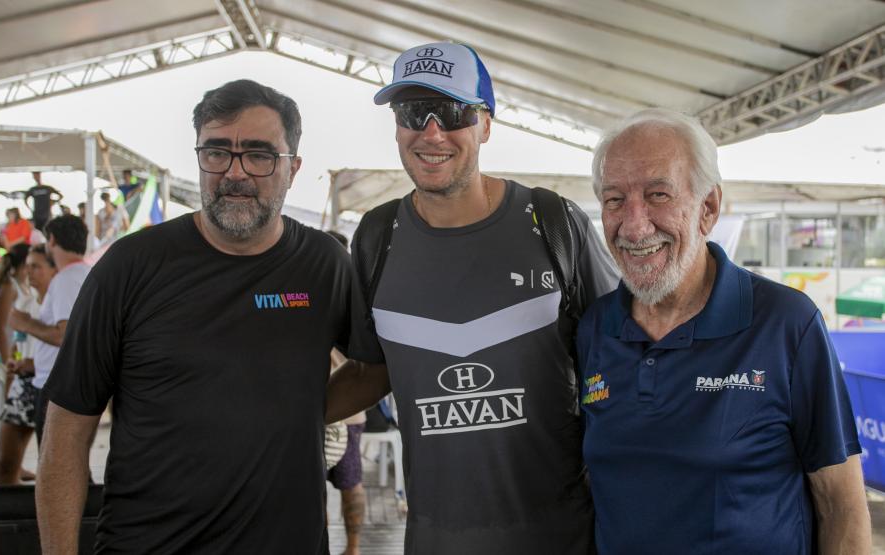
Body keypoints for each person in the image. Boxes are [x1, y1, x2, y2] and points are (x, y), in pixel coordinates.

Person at [36, 79, 382, 553]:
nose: (235, 173)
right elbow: (67, 430)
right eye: (217, 152)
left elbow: (372, 368)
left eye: (259, 155)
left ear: (293, 169)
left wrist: (299, 410)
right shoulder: (129, 266)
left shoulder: (324, 264)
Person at [327, 43, 618, 554]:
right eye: (414, 112)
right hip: (434, 538)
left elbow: (624, 352)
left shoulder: (553, 222)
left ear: (485, 125)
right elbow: (373, 369)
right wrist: (269, 417)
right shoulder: (377, 236)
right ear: (397, 127)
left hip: (560, 536)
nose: (432, 132)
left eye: (453, 111)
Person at [577, 108, 872, 554]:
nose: (634, 226)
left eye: (658, 195)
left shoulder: (786, 323)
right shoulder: (595, 328)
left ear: (708, 208)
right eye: (615, 200)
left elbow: (842, 505)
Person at [8, 215, 90, 444]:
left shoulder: (66, 279)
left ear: (52, 240)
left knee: (54, 458)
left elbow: (65, 336)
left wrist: (24, 323)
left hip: (56, 387)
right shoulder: (85, 273)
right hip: (66, 383)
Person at [0, 244, 55, 484]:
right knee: (6, 464)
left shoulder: (61, 304)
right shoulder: (26, 303)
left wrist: (33, 362)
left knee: (53, 466)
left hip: (52, 388)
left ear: (53, 269)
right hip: (25, 384)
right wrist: (14, 360)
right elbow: (18, 342)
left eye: (36, 266)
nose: (29, 272)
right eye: (27, 266)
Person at [325, 230, 367, 555]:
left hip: (346, 410)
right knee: (315, 488)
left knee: (349, 482)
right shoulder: (353, 295)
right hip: (316, 410)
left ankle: (352, 549)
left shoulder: (353, 298)